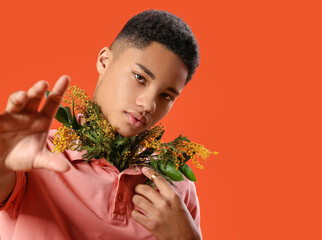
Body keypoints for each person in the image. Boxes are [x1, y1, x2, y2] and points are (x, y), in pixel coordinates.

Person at [0, 9, 202, 240]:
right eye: (139, 78)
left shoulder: (176, 188)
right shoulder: (34, 154)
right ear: (104, 61)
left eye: (166, 95)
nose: (148, 105)